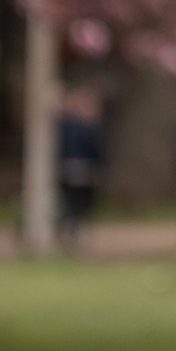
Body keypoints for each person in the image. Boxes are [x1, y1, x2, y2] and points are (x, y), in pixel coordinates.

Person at [54, 87, 105, 252]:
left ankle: (70, 228)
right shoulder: (88, 128)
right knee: (81, 204)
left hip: (67, 169)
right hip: (84, 170)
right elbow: (96, 151)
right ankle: (74, 230)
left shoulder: (64, 126)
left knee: (71, 203)